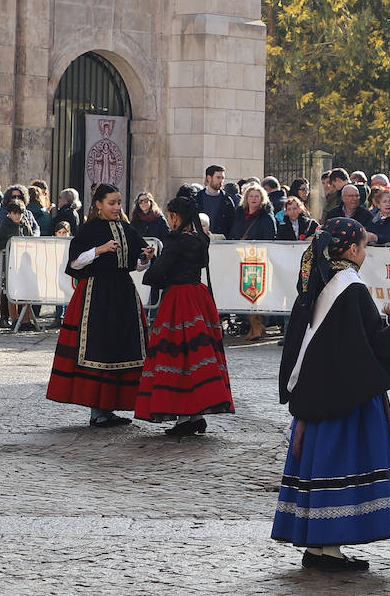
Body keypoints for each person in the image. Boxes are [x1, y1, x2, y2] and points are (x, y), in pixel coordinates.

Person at [275, 217, 390, 572]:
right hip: (343, 397)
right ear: (354, 249)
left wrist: (388, 322)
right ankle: (328, 549)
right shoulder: (351, 286)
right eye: (364, 247)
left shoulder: (324, 281)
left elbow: (350, 340)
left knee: (318, 466)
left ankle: (321, 549)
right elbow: (366, 350)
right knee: (340, 464)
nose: (365, 253)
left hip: (320, 390)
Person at [46, 183, 154, 427]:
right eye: (112, 203)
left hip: (123, 293)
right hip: (96, 294)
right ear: (98, 204)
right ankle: (97, 410)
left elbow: (134, 265)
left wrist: (145, 258)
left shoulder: (127, 229)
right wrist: (99, 250)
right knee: (98, 349)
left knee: (122, 348)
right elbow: (75, 263)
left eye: (118, 203)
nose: (116, 207)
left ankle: (110, 406)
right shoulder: (89, 230)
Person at [134, 191, 234, 435]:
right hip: (198, 297)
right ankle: (195, 414)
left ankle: (184, 419)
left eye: (171, 216)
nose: (169, 220)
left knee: (176, 358)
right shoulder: (201, 239)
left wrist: (152, 263)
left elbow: (156, 276)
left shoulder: (176, 241)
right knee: (197, 357)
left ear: (176, 216)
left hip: (178, 300)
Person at [231, 182, 278, 340]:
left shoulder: (266, 216)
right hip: (241, 258)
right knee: (245, 293)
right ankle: (255, 326)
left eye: (256, 196)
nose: (253, 199)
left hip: (259, 260)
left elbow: (270, 237)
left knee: (256, 293)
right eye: (250, 196)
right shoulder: (239, 213)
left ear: (262, 198)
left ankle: (257, 325)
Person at [0, 198, 38, 331]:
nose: (17, 216)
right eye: (15, 213)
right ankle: (15, 318)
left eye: (20, 213)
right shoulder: (5, 226)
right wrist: (9, 244)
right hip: (10, 263)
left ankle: (26, 320)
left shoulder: (25, 223)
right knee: (12, 291)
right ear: (10, 214)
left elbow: (29, 238)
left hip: (24, 263)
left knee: (26, 290)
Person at [199, 164, 237, 236]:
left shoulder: (227, 200)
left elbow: (232, 223)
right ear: (209, 178)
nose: (221, 181)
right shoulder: (197, 199)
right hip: (199, 241)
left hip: (220, 242)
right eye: (218, 177)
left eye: (222, 178)